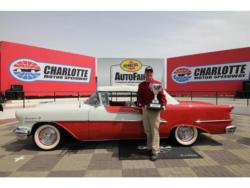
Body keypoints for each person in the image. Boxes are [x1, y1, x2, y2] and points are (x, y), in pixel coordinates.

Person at [137, 66, 167, 161]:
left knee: (154, 130)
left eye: (150, 73)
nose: (149, 74)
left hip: (155, 110)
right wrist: (142, 104)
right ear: (145, 74)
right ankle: (149, 148)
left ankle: (155, 151)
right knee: (147, 130)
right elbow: (139, 96)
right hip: (145, 109)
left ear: (152, 74)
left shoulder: (157, 83)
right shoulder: (141, 85)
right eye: (147, 73)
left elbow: (162, 96)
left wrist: (163, 104)